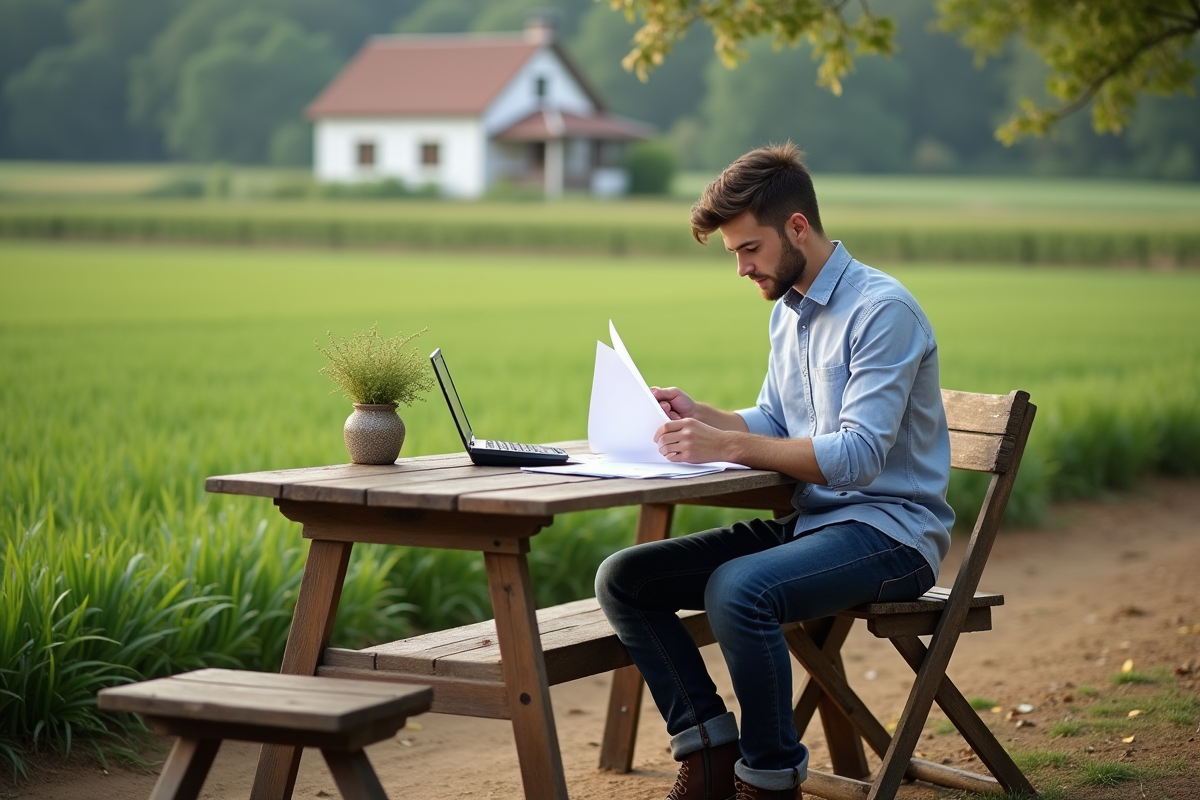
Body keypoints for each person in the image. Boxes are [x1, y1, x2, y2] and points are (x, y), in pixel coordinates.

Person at [594, 142, 955, 800]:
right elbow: (772, 419)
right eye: (734, 254)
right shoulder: (790, 313)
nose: (740, 268)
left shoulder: (883, 311)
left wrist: (725, 447)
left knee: (739, 590)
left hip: (892, 534)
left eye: (748, 249)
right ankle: (706, 754)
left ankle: (769, 781)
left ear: (797, 227)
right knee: (626, 579)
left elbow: (857, 456)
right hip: (815, 528)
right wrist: (704, 416)